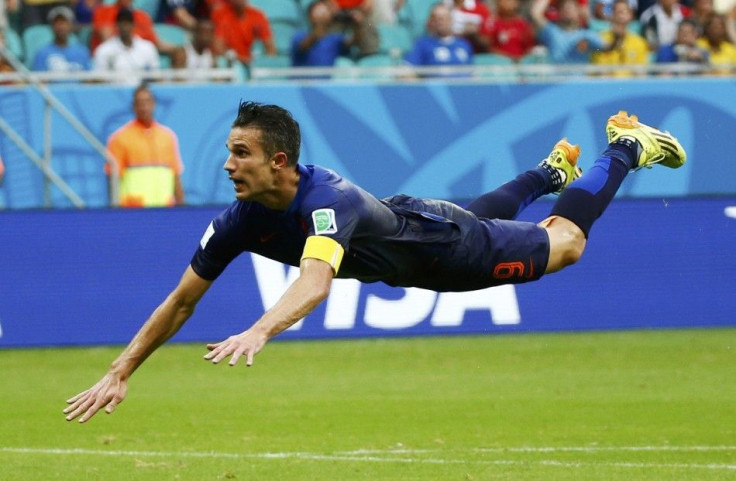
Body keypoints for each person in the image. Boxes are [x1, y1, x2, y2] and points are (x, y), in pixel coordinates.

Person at [63, 101, 686, 423]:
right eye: (228, 152)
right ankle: (550, 171)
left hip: (448, 252)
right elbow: (181, 302)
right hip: (420, 224)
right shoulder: (239, 219)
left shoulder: (324, 198)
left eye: (241, 153)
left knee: (566, 242)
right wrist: (120, 371)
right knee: (479, 219)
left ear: (279, 161)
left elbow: (315, 282)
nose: (228, 164)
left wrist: (258, 328)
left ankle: (627, 146)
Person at [104, 84, 185, 207]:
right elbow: (113, 179)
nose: (144, 107)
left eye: (147, 101)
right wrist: (115, 212)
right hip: (133, 211)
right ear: (134, 106)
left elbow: (175, 176)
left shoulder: (167, 137)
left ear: (154, 104)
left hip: (165, 210)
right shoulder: (119, 138)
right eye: (140, 103)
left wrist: (181, 207)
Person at [93, 8, 159, 84]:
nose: (125, 26)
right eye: (121, 22)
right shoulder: (104, 50)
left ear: (133, 25)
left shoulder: (147, 48)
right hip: (115, 92)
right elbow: (99, 78)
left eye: (128, 22)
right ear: (117, 25)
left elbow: (155, 76)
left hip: (140, 91)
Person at [404, 3, 474, 74]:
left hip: (462, 84)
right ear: (431, 21)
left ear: (451, 20)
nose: (441, 22)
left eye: (444, 18)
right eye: (437, 18)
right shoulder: (422, 44)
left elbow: (472, 73)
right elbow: (406, 71)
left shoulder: (464, 44)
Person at [531, 0, 605, 64]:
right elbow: (536, 14)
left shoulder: (587, 34)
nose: (568, 10)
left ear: (578, 11)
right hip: (557, 78)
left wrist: (589, 45)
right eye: (564, 8)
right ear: (559, 12)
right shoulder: (552, 31)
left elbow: (605, 47)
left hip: (581, 79)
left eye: (571, 8)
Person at [591, 0, 650, 76]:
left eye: (624, 12)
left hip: (631, 86)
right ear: (612, 15)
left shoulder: (639, 42)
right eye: (618, 12)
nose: (621, 17)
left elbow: (641, 74)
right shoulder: (600, 40)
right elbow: (601, 73)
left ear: (631, 16)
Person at [291, 0, 357, 67]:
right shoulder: (299, 36)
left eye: (327, 10)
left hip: (328, 76)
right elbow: (303, 46)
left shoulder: (335, 38)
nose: (323, 12)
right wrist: (320, 25)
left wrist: (357, 24)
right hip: (303, 77)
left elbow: (352, 42)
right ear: (310, 16)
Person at [211, 0, 276, 66]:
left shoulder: (257, 16)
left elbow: (270, 48)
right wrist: (242, 60)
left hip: (253, 64)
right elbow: (218, 48)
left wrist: (264, 63)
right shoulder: (221, 15)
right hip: (231, 64)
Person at [32, 6, 91, 73]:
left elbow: (88, 79)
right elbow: (41, 80)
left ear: (71, 25)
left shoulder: (82, 52)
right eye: (57, 23)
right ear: (51, 26)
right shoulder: (42, 53)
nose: (61, 27)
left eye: (64, 23)